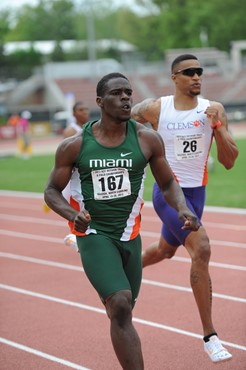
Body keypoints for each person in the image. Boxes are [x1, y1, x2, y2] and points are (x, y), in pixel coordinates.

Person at [44, 72, 200, 369]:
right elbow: (51, 190)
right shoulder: (75, 146)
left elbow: (168, 184)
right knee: (120, 303)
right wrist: (72, 215)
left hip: (131, 234)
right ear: (101, 102)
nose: (127, 97)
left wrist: (182, 207)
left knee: (124, 311)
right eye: (118, 93)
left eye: (129, 92)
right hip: (93, 232)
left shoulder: (147, 139)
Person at [131, 54, 239, 363]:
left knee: (165, 250)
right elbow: (128, 118)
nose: (196, 77)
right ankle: (210, 337)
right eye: (188, 72)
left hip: (197, 194)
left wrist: (216, 126)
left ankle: (122, 272)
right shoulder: (156, 108)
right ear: (174, 78)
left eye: (199, 72)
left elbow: (230, 162)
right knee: (201, 248)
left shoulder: (213, 109)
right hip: (168, 192)